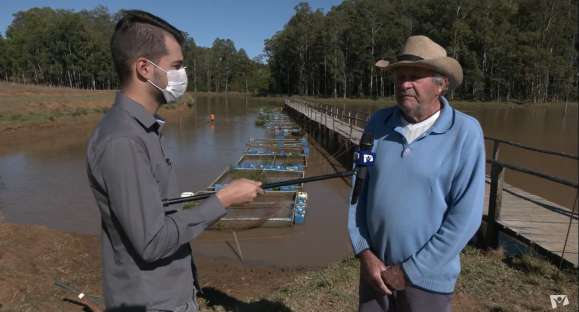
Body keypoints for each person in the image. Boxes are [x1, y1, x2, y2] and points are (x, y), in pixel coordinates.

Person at [86, 10, 263, 311]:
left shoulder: (144, 130)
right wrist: (223, 200)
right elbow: (152, 241)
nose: (182, 76)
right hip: (153, 301)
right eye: (176, 66)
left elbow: (154, 214)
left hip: (170, 293)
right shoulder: (123, 142)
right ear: (144, 68)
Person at [348, 35, 485, 312]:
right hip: (374, 273)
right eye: (400, 76)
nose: (405, 84)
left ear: (441, 84)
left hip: (427, 282)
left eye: (415, 76)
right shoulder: (377, 123)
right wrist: (364, 251)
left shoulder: (465, 132)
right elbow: (357, 189)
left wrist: (410, 272)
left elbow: (465, 218)